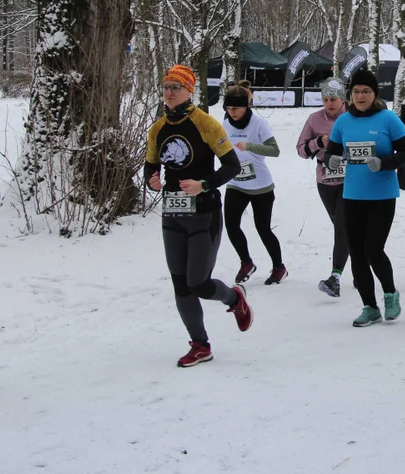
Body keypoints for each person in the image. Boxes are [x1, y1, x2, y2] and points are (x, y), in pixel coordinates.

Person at [144, 66, 253, 368]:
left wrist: (203, 184)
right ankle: (200, 345)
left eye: (176, 87)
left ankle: (234, 298)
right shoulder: (158, 128)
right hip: (172, 213)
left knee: (199, 283)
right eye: (166, 86)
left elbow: (231, 166)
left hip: (204, 213)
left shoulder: (206, 124)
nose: (169, 92)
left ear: (189, 91)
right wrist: (151, 179)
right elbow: (150, 165)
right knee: (181, 284)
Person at [325, 69, 405, 326]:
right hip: (352, 196)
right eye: (356, 92)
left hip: (382, 196)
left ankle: (390, 294)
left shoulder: (388, 120)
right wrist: (333, 160)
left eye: (366, 92)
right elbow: (330, 153)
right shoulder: (343, 122)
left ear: (375, 94)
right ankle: (369, 307)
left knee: (373, 249)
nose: (360, 96)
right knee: (358, 253)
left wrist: (384, 162)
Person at [221, 84, 287, 285]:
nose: (231, 113)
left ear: (245, 107)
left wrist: (250, 146)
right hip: (236, 184)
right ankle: (246, 262)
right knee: (231, 225)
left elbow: (275, 150)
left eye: (236, 109)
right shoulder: (225, 123)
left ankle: (279, 267)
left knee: (263, 228)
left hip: (261, 187)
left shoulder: (258, 123)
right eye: (228, 109)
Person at [298, 77, 350, 297]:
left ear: (343, 99)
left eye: (334, 99)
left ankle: (335, 277)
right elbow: (300, 150)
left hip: (351, 179)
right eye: (326, 99)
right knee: (343, 228)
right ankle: (360, 263)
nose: (329, 104)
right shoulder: (314, 119)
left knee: (342, 226)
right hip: (325, 179)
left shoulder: (352, 116)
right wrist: (319, 143)